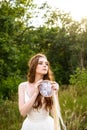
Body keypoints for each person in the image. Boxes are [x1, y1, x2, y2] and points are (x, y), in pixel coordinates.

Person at [18, 53, 63, 130]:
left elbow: (54, 113)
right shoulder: (22, 86)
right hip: (29, 126)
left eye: (46, 64)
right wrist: (36, 93)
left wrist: (55, 93)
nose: (45, 65)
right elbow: (23, 113)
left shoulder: (49, 86)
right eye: (40, 63)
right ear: (34, 66)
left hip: (47, 126)